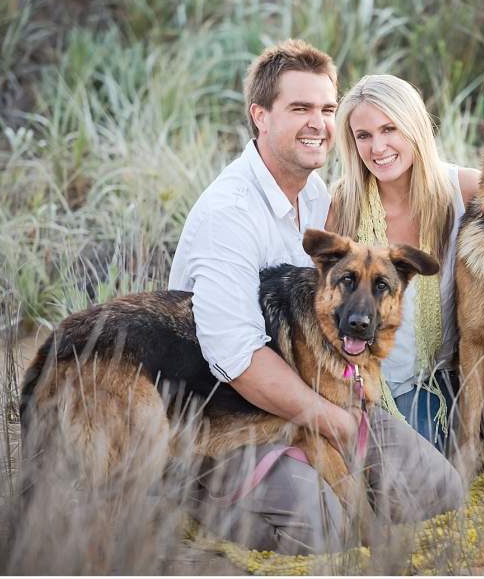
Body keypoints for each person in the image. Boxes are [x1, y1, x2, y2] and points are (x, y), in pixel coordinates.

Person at [168, 41, 463, 555]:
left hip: (321, 394)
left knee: (441, 491)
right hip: (230, 417)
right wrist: (332, 420)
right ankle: (184, 489)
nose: (319, 123)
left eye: (327, 110)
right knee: (324, 527)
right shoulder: (229, 215)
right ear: (259, 116)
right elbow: (236, 359)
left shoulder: (319, 198)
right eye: (300, 109)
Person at [327, 74, 481, 455]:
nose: (377, 147)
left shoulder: (465, 190)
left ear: (413, 125)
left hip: (435, 378)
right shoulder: (343, 206)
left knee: (416, 471)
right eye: (363, 136)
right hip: (363, 378)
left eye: (389, 129)